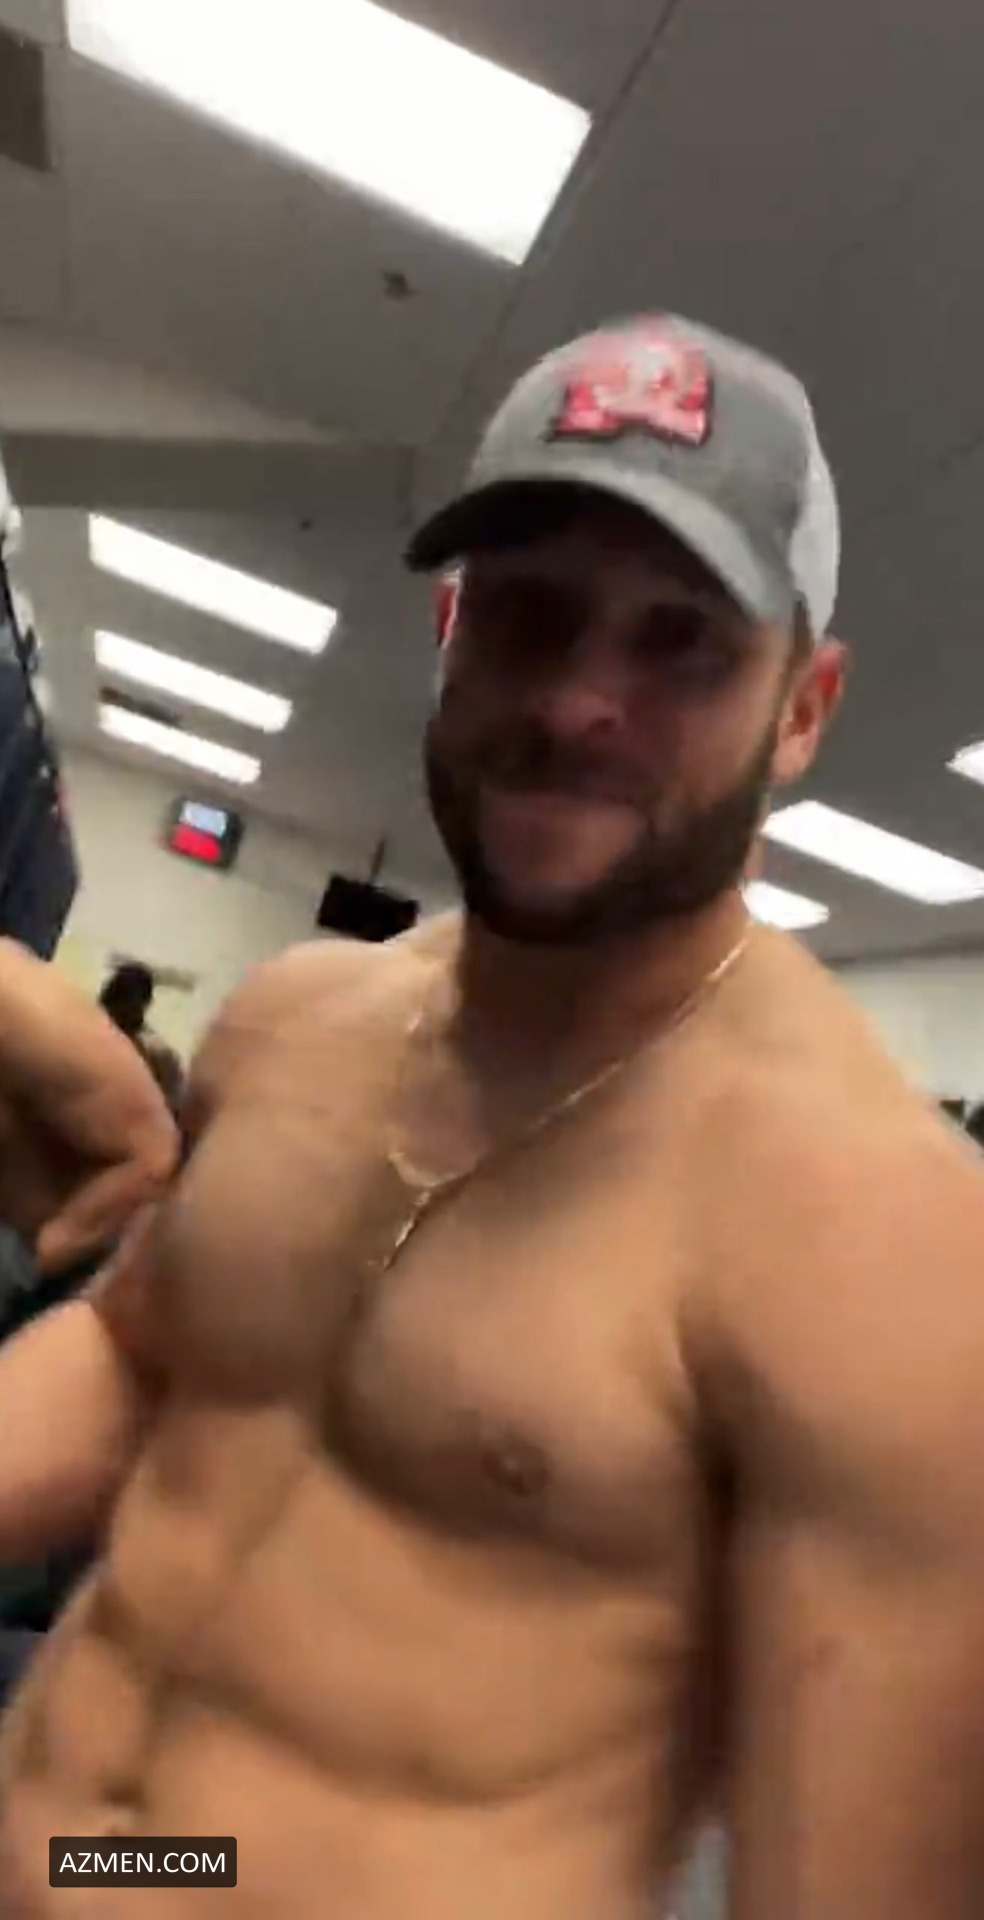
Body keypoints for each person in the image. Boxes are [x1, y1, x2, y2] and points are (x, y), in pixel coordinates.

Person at [1, 314, 983, 1920]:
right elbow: (136, 1349)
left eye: (680, 640)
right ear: (452, 625)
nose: (581, 699)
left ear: (804, 708)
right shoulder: (297, 1022)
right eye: (530, 612)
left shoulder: (878, 1240)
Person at [99, 961, 185, 1115]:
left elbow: (173, 1105)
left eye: (127, 1000)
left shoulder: (157, 1052)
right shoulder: (96, 1035)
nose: (119, 1010)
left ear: (145, 1002)